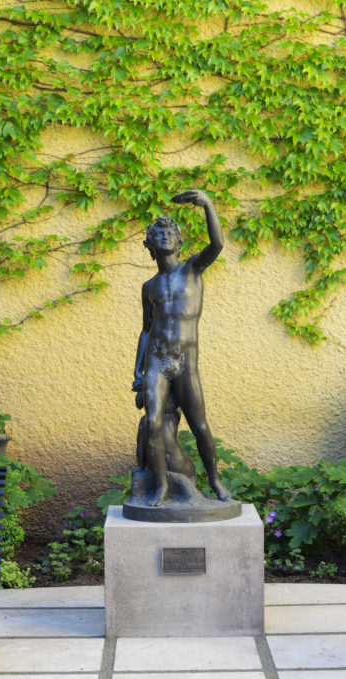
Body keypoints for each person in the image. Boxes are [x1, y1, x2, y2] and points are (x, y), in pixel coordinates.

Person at [132, 189, 231, 506]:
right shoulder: (149, 287)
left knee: (200, 425)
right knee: (153, 423)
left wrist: (208, 205)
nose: (163, 236)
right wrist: (138, 369)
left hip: (186, 363)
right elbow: (147, 330)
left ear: (179, 241)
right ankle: (160, 486)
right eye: (157, 233)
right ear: (149, 246)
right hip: (157, 363)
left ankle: (214, 479)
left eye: (169, 232)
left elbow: (217, 244)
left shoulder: (192, 270)